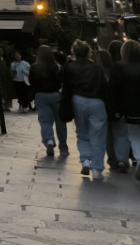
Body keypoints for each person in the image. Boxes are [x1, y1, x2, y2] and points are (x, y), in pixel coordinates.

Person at [64, 39, 109, 181]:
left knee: (82, 133)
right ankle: (97, 169)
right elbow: (104, 87)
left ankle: (85, 160)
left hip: (77, 101)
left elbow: (66, 86)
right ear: (88, 52)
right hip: (97, 101)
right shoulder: (96, 67)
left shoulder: (70, 67)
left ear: (74, 53)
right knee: (98, 136)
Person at [108, 40, 140, 177]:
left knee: (130, 135)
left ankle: (132, 160)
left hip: (127, 109)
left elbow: (113, 89)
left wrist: (116, 109)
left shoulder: (119, 67)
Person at [30, 44, 68, 160]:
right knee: (60, 122)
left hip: (41, 95)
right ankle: (63, 147)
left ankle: (49, 140)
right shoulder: (56, 66)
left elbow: (32, 82)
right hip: (55, 95)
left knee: (45, 121)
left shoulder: (34, 67)